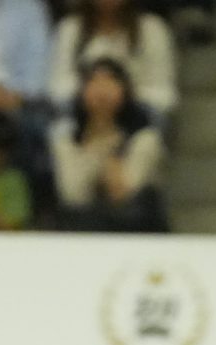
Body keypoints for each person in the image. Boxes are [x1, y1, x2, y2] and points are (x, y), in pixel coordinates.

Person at [51, 57, 165, 232]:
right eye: (94, 82)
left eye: (110, 82)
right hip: (80, 232)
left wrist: (110, 147)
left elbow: (124, 194)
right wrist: (96, 147)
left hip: (134, 231)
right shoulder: (66, 142)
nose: (102, 91)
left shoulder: (145, 140)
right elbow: (73, 195)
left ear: (125, 91)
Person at [49, 0, 177, 118]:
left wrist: (121, 94)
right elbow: (59, 85)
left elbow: (163, 93)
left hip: (137, 110)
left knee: (154, 118)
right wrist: (93, 91)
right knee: (61, 117)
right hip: (81, 109)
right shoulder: (70, 28)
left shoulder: (152, 28)